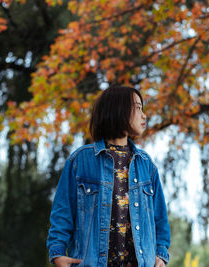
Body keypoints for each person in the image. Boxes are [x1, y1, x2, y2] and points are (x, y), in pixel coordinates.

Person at [46, 86, 170, 267]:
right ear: (117, 109)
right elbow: (62, 214)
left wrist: (161, 255)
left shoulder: (147, 165)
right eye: (137, 107)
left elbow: (160, 220)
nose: (144, 115)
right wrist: (57, 253)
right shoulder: (80, 161)